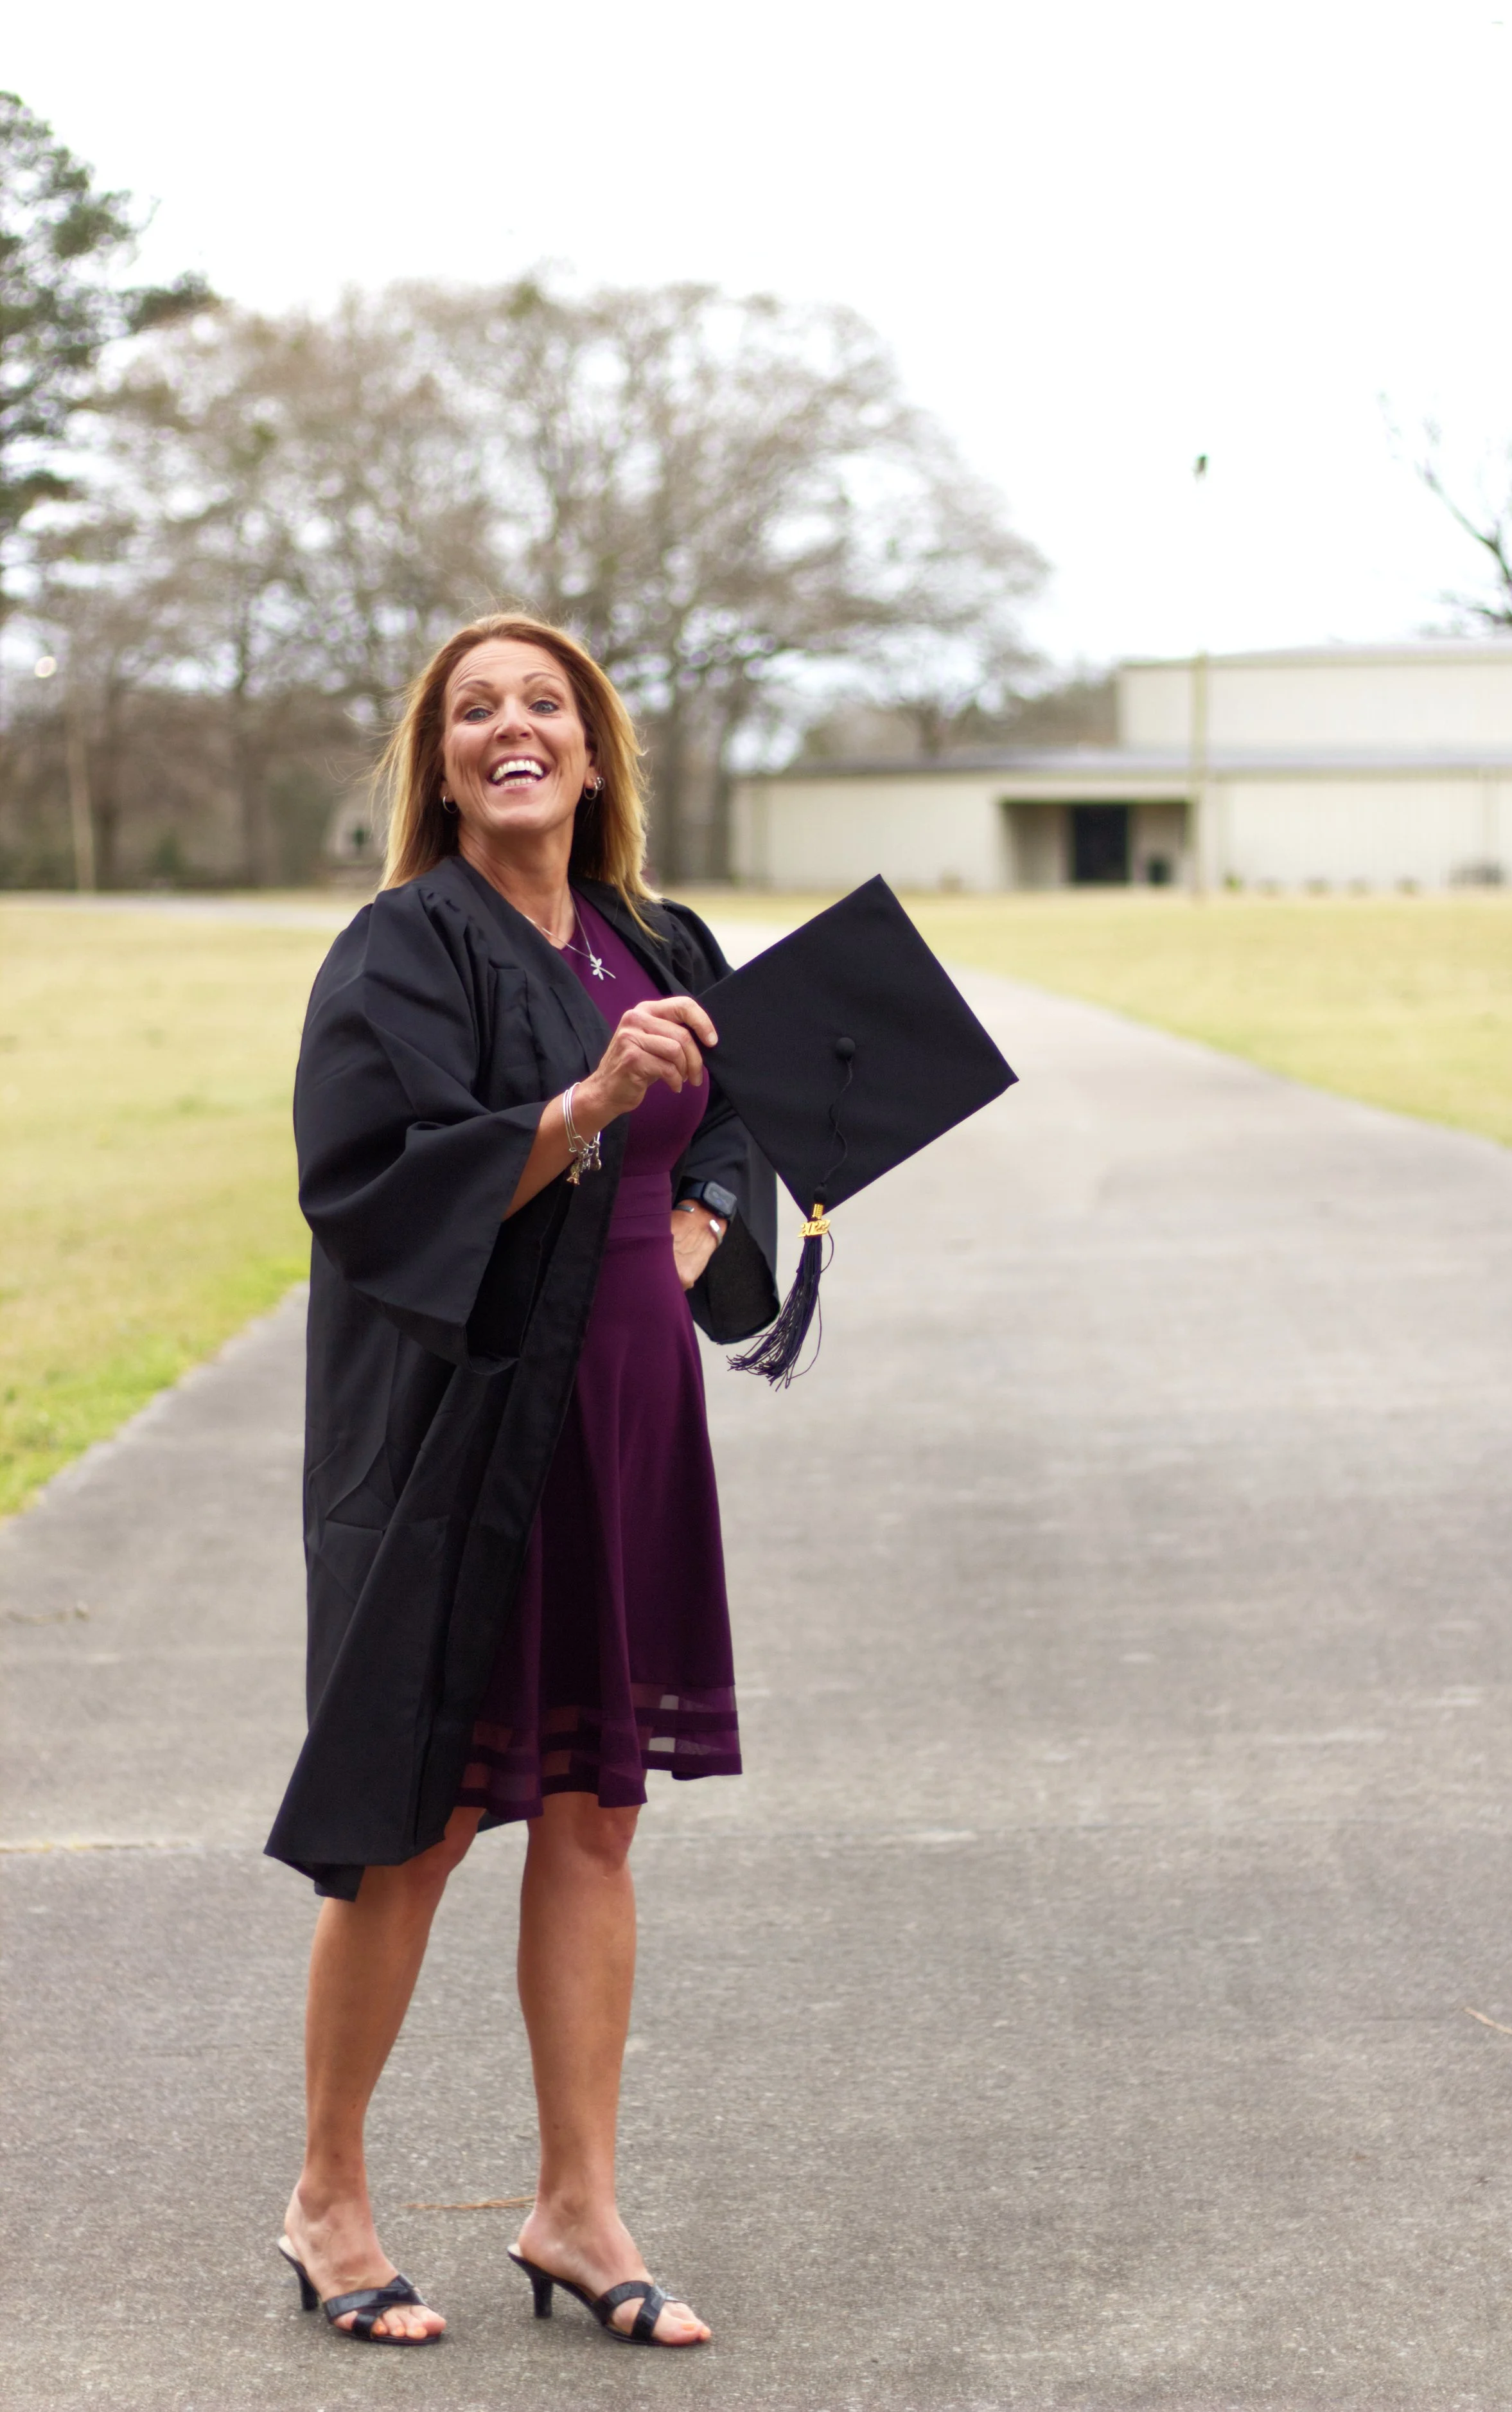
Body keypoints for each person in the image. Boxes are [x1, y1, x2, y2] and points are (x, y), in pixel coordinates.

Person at [265, 614, 777, 2348]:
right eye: (474, 708)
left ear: (592, 746)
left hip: (630, 1418)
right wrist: (580, 1104)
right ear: (438, 761)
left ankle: (576, 2206)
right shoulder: (400, 950)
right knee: (416, 1822)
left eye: (541, 704)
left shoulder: (656, 935)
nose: (511, 727)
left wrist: (701, 1201)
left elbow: (732, 1110)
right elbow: (369, 1187)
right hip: (466, 1439)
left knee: (596, 1811)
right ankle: (328, 2196)